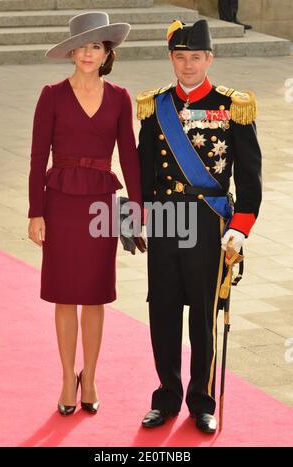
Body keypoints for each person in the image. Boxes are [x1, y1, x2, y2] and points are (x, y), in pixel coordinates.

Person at [137, 19, 261, 433]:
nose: (187, 65)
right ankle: (166, 396)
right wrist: (134, 218)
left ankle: (201, 400)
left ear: (210, 58)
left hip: (208, 223)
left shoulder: (232, 105)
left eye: (195, 57)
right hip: (166, 221)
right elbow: (143, 173)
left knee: (206, 315)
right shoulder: (156, 107)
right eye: (179, 57)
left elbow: (249, 177)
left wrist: (239, 228)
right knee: (164, 311)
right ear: (170, 59)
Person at [27, 12, 143, 416]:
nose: (89, 53)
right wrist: (34, 212)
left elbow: (129, 155)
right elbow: (37, 156)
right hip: (59, 203)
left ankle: (89, 377)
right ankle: (65, 377)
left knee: (94, 296)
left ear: (106, 52)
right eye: (82, 45)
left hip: (101, 206)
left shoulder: (120, 97)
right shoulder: (51, 95)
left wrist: (139, 210)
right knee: (63, 295)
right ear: (71, 51)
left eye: (97, 45)